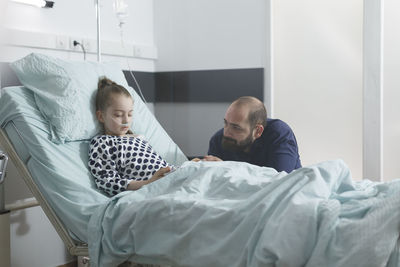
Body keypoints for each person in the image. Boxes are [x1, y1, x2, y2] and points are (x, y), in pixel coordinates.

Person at [88, 77, 175, 196]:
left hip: (172, 175)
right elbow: (107, 181)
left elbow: (160, 164)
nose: (126, 120)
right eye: (118, 115)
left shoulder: (139, 138)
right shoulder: (102, 143)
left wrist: (188, 166)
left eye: (130, 114)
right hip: (155, 186)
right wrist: (148, 183)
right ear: (101, 116)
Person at [205, 96, 301, 173]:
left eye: (236, 128)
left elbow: (279, 181)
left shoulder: (279, 134)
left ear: (258, 131)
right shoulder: (218, 140)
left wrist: (226, 169)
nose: (226, 132)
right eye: (226, 123)